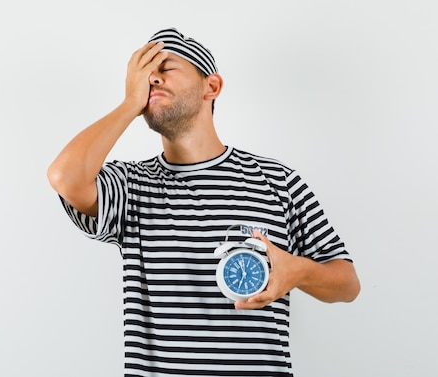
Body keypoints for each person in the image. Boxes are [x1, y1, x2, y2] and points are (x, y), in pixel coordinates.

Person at [47, 27, 360, 376]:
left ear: (211, 86)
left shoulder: (278, 182)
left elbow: (347, 284)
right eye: (142, 73)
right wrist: (128, 104)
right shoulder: (131, 187)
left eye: (165, 68)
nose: (151, 79)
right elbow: (64, 177)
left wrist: (298, 270)